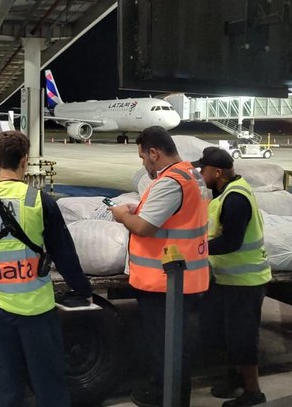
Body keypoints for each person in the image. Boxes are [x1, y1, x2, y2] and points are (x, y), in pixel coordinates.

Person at [0, 130, 92, 407]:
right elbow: (65, 255)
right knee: (49, 384)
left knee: (4, 387)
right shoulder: (40, 201)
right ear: (25, 161)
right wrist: (83, 289)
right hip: (37, 311)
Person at [109, 126, 209, 407]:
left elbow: (144, 227)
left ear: (154, 153)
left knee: (167, 350)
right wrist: (138, 209)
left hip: (166, 282)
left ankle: (168, 399)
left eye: (143, 157)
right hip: (184, 277)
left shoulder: (170, 182)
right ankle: (165, 394)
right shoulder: (192, 175)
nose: (143, 163)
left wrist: (121, 215)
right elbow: (175, 218)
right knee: (174, 347)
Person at [194, 147, 271, 407]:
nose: (200, 174)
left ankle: (253, 392)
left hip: (245, 282)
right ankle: (235, 377)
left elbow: (232, 242)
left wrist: (196, 249)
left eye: (203, 170)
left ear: (217, 172)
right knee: (224, 334)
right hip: (227, 279)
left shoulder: (236, 198)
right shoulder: (225, 192)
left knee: (242, 337)